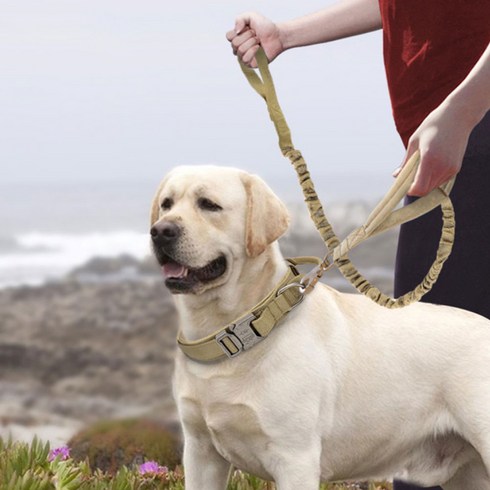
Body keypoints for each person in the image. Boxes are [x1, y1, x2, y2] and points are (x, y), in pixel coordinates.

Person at [226, 1, 490, 489]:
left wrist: (463, 112)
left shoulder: (465, 120)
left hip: (470, 135)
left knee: (425, 386)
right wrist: (286, 33)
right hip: (456, 142)